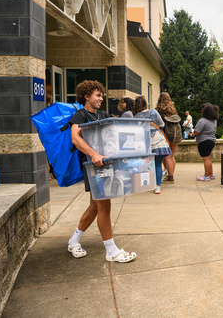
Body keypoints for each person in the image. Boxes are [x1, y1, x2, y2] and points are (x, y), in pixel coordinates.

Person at [67, 80, 136, 263]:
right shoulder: (80, 116)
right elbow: (75, 138)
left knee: (95, 206)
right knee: (104, 206)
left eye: (101, 95)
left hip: (106, 166)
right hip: (93, 167)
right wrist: (93, 154)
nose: (101, 98)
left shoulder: (102, 114)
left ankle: (74, 240)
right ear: (86, 96)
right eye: (97, 95)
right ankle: (111, 250)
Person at [134, 96, 169, 194]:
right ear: (145, 103)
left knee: (145, 165)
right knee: (158, 164)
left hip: (144, 143)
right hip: (158, 141)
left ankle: (146, 184)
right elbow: (162, 125)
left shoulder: (136, 116)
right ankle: (158, 187)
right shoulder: (154, 112)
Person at [156, 92, 180, 183]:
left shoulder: (159, 110)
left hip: (165, 134)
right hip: (175, 134)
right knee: (172, 156)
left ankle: (170, 177)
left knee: (167, 156)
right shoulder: (173, 110)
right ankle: (170, 174)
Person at [194, 103, 219, 181]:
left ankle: (206, 176)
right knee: (208, 158)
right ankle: (211, 175)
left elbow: (196, 132)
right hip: (212, 140)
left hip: (203, 141)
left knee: (206, 159)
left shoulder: (202, 121)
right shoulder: (214, 120)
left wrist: (193, 133)